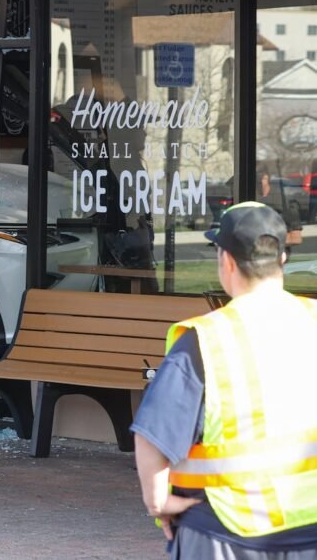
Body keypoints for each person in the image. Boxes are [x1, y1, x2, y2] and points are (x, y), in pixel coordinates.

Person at [132, 201, 317, 557]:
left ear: (227, 261)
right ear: (281, 259)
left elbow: (153, 437)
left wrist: (157, 502)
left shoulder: (206, 340)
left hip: (225, 530)